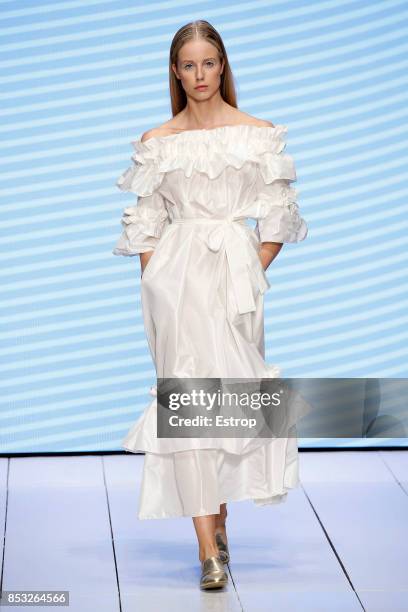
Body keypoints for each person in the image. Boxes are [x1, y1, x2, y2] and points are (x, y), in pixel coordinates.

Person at [112, 19, 308, 590]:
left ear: (223, 65)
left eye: (209, 62)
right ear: (175, 72)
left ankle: (219, 515)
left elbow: (277, 218)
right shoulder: (157, 142)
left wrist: (243, 271)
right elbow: (145, 226)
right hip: (174, 287)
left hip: (233, 283)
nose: (200, 74)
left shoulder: (258, 134)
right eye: (188, 65)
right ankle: (207, 547)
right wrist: (164, 283)